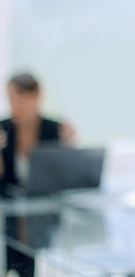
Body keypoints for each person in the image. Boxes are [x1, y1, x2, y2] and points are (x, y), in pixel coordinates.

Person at [0, 71, 75, 277]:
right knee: (11, 259)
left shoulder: (54, 129)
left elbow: (64, 177)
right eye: (10, 99)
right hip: (9, 213)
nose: (14, 106)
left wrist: (69, 147)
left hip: (43, 214)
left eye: (19, 99)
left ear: (36, 96)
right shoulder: (3, 129)